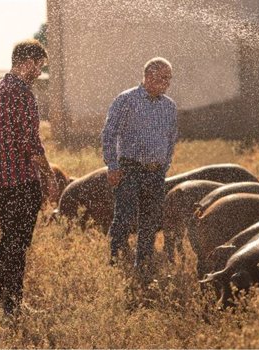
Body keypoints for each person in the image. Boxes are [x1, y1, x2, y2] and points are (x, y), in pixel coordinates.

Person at [0, 39, 58, 316]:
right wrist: (49, 176)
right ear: (27, 62)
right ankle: (13, 303)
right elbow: (31, 143)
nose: (39, 72)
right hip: (23, 180)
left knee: (7, 240)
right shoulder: (23, 94)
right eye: (39, 66)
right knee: (19, 243)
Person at [100, 57, 178, 279]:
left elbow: (171, 138)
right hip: (129, 169)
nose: (167, 82)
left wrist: (165, 165)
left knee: (150, 220)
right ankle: (115, 261)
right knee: (124, 217)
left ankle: (143, 264)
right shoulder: (126, 100)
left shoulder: (169, 106)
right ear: (148, 76)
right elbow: (109, 133)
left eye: (169, 78)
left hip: (156, 172)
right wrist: (112, 165)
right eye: (163, 77)